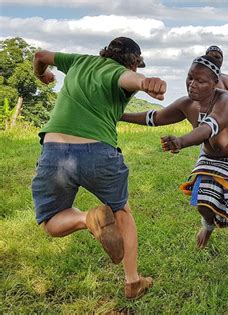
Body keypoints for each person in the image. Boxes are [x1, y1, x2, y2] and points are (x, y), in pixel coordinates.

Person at [31, 37, 166, 299]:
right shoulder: (122, 72)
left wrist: (43, 75)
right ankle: (132, 282)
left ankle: (86, 218)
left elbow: (40, 55)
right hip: (99, 153)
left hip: (54, 150)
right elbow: (128, 79)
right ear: (134, 62)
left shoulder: (77, 61)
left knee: (51, 222)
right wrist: (146, 83)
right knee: (122, 212)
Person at [120, 55, 228, 283]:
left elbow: (209, 127)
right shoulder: (187, 104)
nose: (192, 84)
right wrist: (119, 116)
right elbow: (155, 117)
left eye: (200, 81)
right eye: (190, 78)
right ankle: (208, 225)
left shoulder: (227, 100)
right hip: (211, 156)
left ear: (215, 82)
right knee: (202, 204)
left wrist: (181, 141)